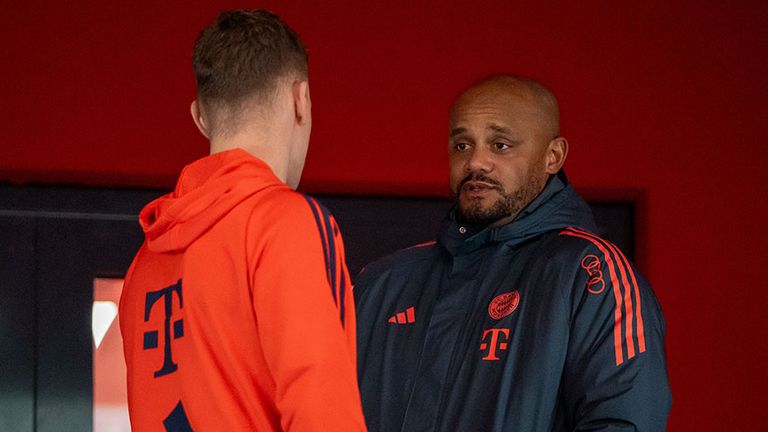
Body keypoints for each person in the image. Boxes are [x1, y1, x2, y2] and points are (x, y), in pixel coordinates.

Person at [355, 75, 672, 431]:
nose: (476, 162)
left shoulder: (589, 274)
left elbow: (624, 423)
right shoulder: (383, 282)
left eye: (500, 145)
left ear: (553, 156)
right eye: (462, 145)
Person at [119, 10, 366, 431]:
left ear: (200, 117)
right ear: (300, 99)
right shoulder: (285, 221)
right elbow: (323, 409)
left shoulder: (144, 263)